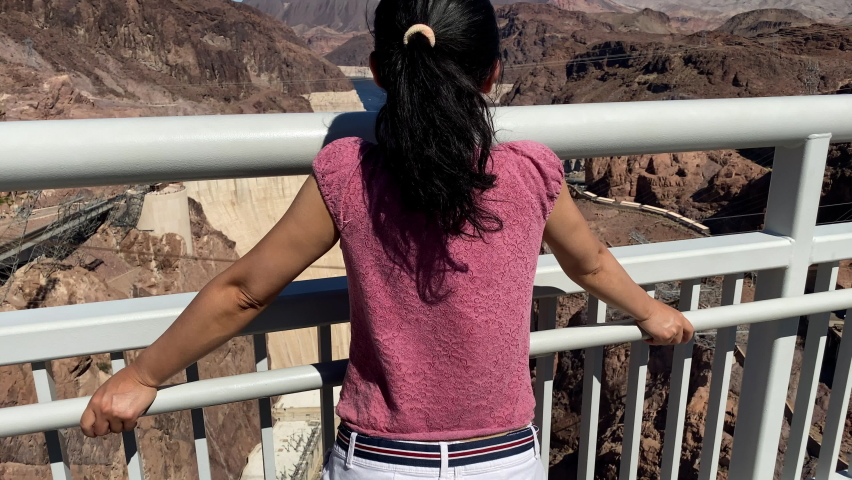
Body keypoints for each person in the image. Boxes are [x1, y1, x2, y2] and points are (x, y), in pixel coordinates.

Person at [80, 0, 694, 478]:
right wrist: (651, 312)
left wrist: (143, 375)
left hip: (380, 459)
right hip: (501, 458)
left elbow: (245, 291)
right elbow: (589, 261)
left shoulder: (349, 172)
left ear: (379, 71)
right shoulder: (533, 170)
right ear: (493, 76)